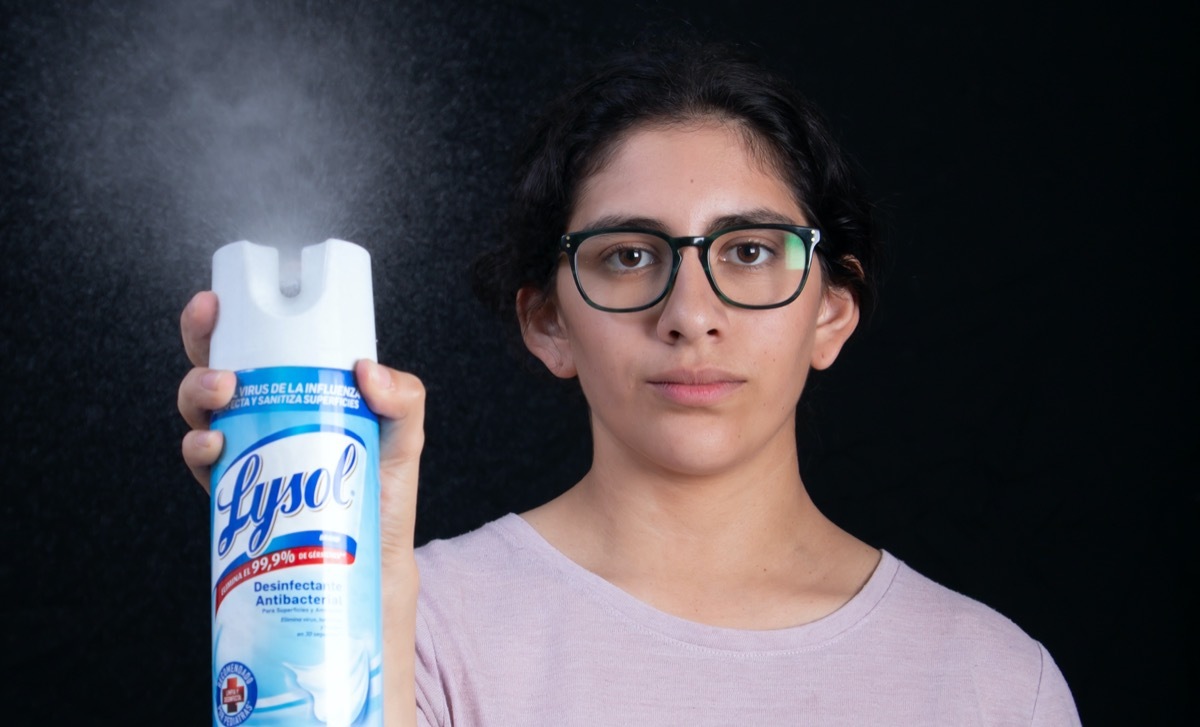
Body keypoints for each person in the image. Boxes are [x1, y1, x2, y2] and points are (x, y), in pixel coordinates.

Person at [179, 39, 1081, 726]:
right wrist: (342, 581)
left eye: (752, 250)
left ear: (832, 310)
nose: (690, 311)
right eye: (629, 255)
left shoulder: (996, 683)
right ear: (546, 322)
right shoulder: (413, 627)